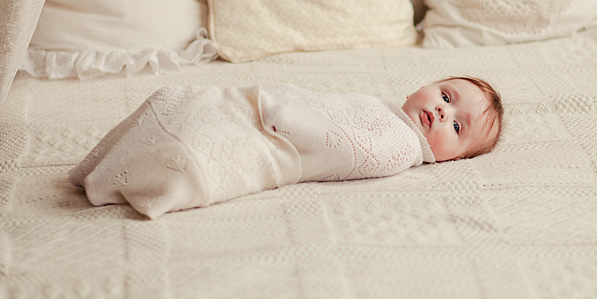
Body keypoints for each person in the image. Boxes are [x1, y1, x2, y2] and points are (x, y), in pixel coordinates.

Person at [69, 76, 503, 218]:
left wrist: (286, 117)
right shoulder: (386, 110)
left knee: (197, 153)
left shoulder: (401, 147)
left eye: (457, 126)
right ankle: (108, 169)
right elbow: (328, 105)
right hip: (270, 116)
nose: (443, 112)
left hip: (277, 140)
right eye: (446, 96)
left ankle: (125, 179)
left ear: (452, 158)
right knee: (179, 99)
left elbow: (347, 149)